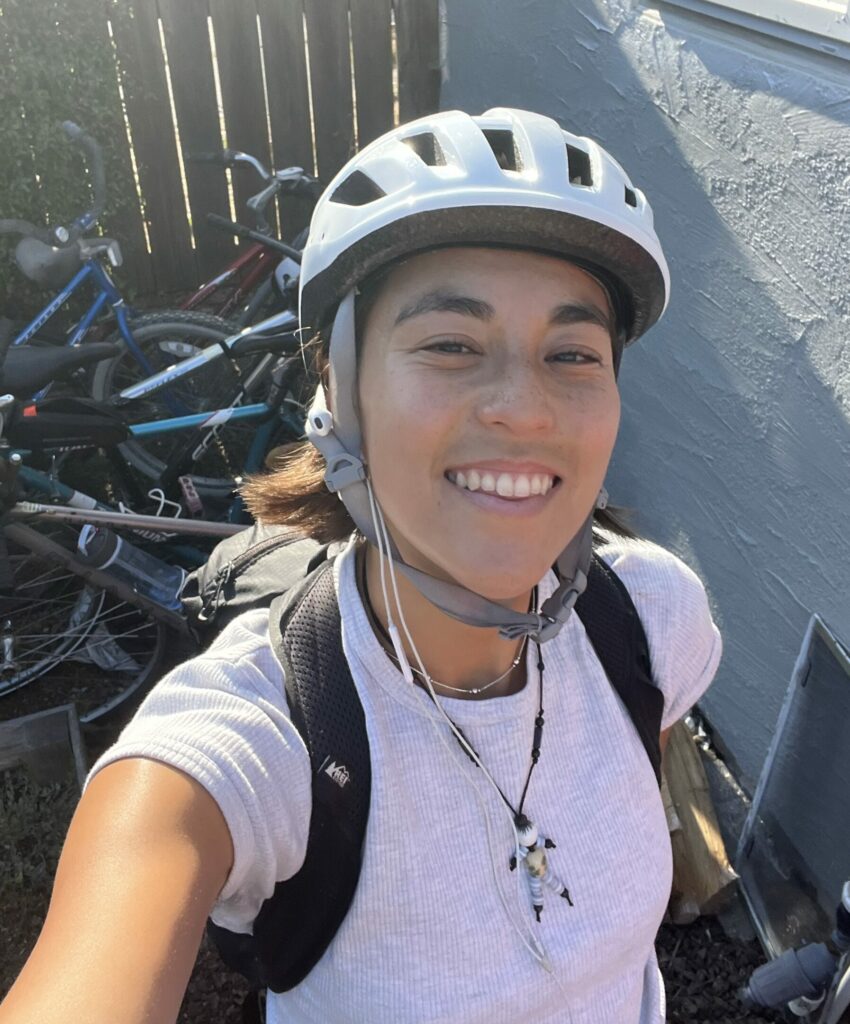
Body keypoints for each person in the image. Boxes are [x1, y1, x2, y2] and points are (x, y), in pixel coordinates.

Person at [0, 108, 721, 1024]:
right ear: (337, 390)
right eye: (451, 343)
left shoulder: (652, 618)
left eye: (572, 353)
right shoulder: (260, 734)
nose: (524, 408)